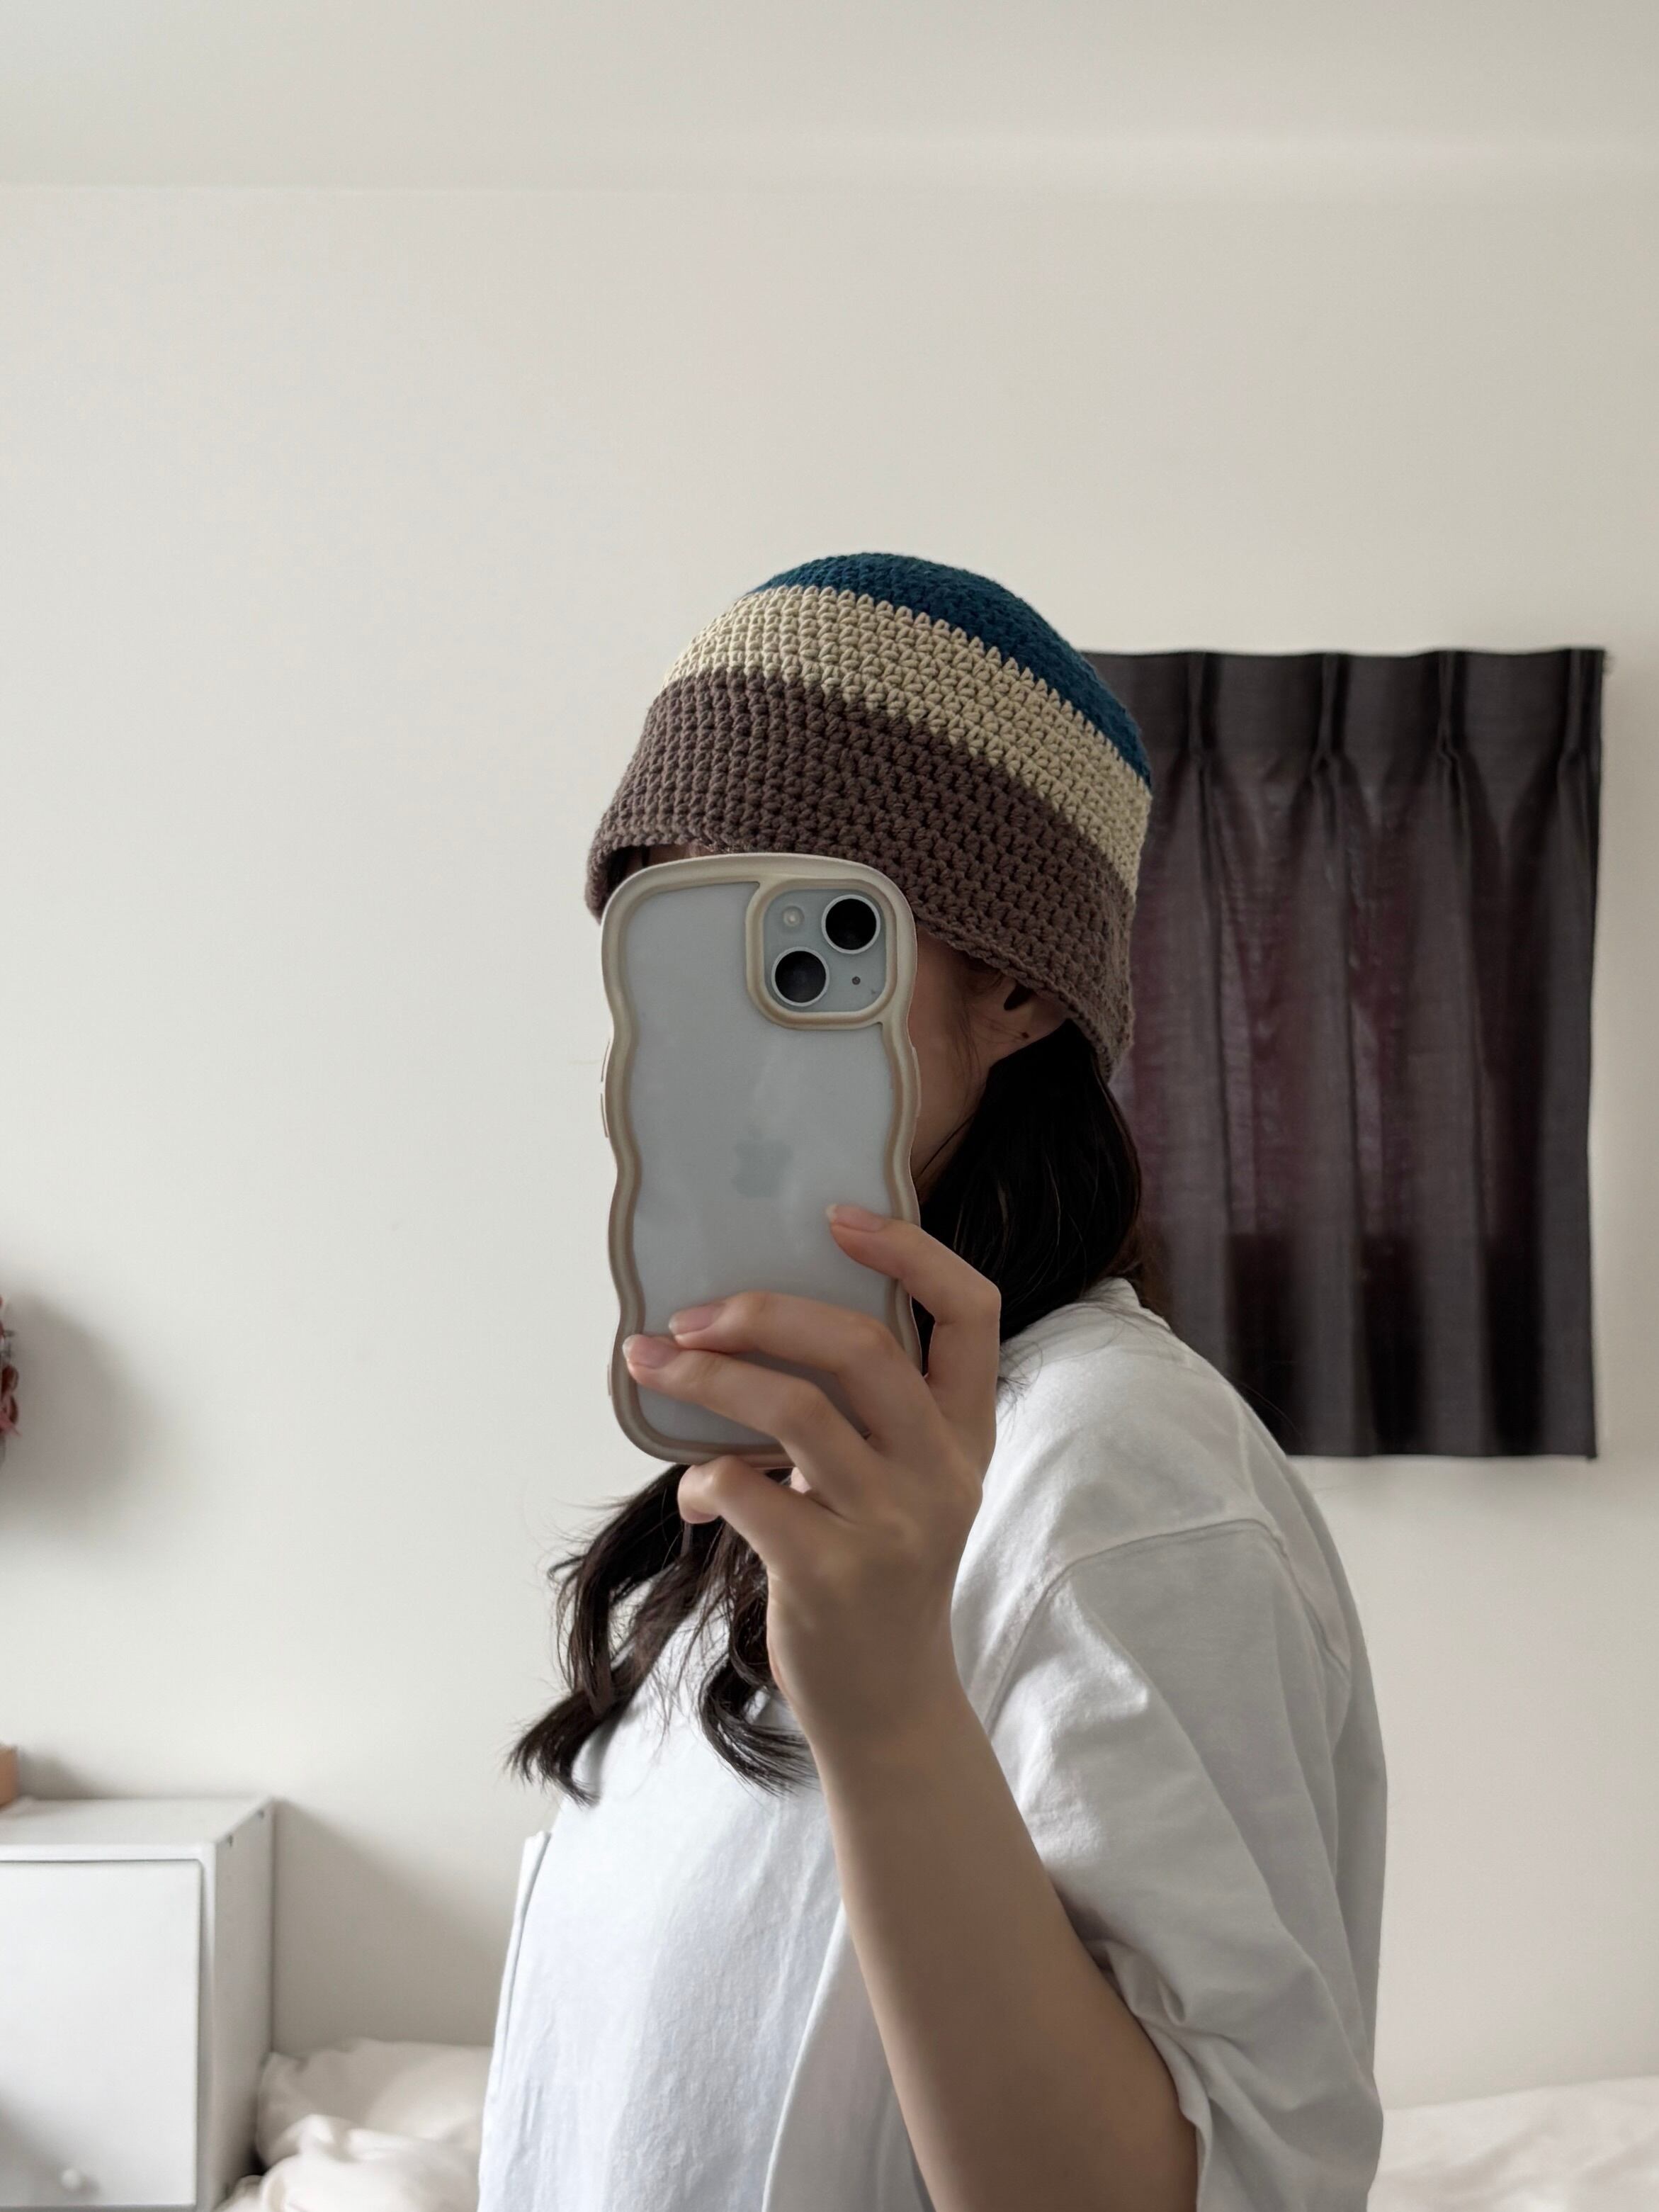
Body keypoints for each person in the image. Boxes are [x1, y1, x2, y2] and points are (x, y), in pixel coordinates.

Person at [477, 553, 1387, 2212]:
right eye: (667, 942)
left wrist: (891, 1705)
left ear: (1019, 987)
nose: (711, 1035)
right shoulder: (782, 1489)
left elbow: (1228, 2185)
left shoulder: (1116, 1472)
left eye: (795, 943)